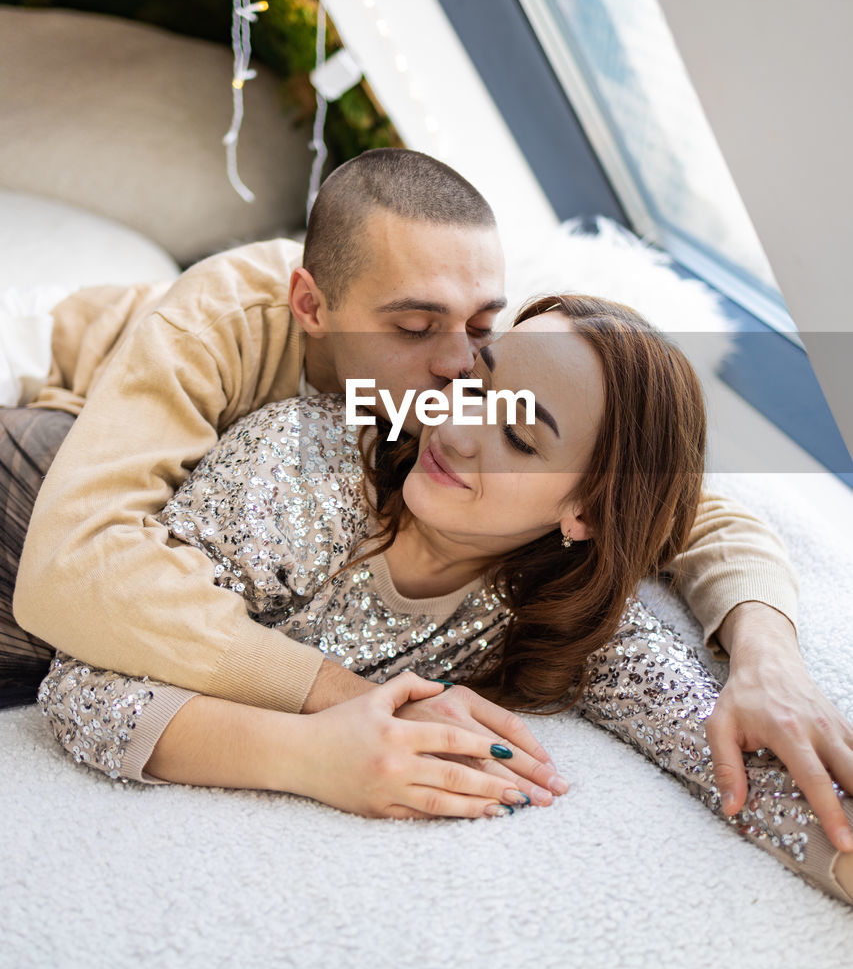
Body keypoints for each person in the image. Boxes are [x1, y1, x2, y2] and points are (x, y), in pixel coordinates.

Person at [7, 150, 853, 842]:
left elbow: (676, 505)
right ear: (314, 307)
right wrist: (337, 712)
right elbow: (72, 573)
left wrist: (767, 660)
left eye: (481, 333)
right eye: (415, 330)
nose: (457, 372)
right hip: (65, 432)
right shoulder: (243, 366)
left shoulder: (480, 415)